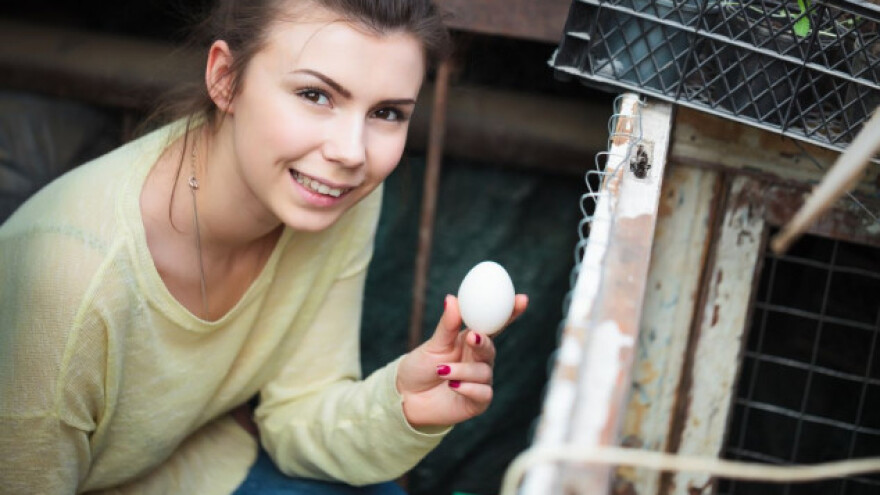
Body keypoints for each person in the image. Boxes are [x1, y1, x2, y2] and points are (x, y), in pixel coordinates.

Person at [0, 0, 529, 494]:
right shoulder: (70, 280)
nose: (351, 152)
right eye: (315, 95)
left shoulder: (333, 191)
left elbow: (296, 415)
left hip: (201, 467)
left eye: (387, 112)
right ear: (225, 79)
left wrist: (404, 405)